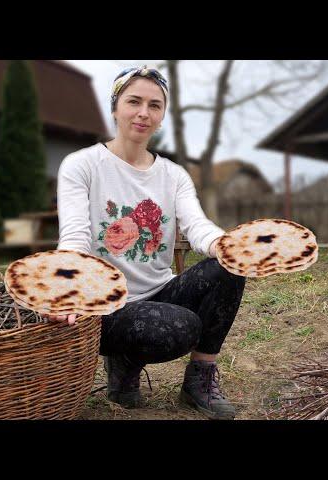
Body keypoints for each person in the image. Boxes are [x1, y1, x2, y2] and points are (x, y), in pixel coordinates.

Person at [49, 66, 246, 420]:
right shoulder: (81, 165)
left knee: (229, 267)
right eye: (134, 101)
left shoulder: (174, 175)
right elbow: (75, 236)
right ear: (115, 108)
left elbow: (196, 224)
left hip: (159, 292)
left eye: (155, 105)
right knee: (180, 327)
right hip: (107, 307)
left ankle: (199, 380)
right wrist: (69, 288)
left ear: (162, 116)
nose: (144, 112)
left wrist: (223, 244)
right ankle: (123, 361)